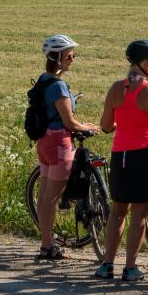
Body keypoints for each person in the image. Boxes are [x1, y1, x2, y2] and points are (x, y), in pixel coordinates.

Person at [97, 39, 148, 281]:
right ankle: (130, 267)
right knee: (139, 213)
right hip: (144, 155)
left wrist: (125, 123)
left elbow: (106, 125)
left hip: (120, 155)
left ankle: (107, 263)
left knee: (117, 212)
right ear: (145, 64)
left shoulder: (116, 88)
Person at [30, 34, 99, 262]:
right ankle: (48, 246)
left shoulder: (44, 79)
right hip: (60, 143)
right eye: (69, 55)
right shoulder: (58, 86)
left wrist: (81, 124)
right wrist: (86, 127)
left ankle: (46, 242)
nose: (73, 59)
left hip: (44, 142)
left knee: (44, 195)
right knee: (52, 198)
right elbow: (69, 122)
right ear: (57, 58)